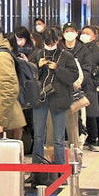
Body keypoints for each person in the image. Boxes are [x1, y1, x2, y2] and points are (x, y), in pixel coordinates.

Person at [32, 29, 77, 165]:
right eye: (47, 43)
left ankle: (60, 168)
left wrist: (58, 68)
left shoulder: (66, 56)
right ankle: (37, 168)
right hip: (40, 98)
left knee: (58, 138)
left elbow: (73, 76)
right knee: (38, 136)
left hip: (59, 98)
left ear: (57, 41)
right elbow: (29, 76)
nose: (50, 46)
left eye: (52, 43)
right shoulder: (38, 54)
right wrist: (37, 67)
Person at [79, 25, 99, 151]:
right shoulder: (77, 47)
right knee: (77, 114)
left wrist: (95, 82)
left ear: (93, 36)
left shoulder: (97, 51)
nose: (84, 35)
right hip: (75, 85)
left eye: (87, 33)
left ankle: (92, 139)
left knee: (90, 113)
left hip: (89, 86)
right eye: (83, 32)